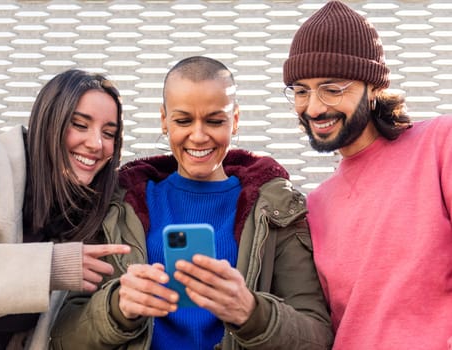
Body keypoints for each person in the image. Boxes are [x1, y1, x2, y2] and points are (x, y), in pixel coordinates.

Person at [49, 56, 333, 349]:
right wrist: (116, 309)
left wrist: (251, 312)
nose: (198, 136)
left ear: (234, 121)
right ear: (164, 121)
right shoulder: (116, 206)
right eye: (183, 120)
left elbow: (317, 336)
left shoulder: (276, 211)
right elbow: (60, 338)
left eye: (214, 120)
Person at [282, 1, 452, 349]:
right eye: (301, 91)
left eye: (333, 89)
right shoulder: (315, 205)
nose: (314, 108)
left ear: (373, 87)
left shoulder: (439, 144)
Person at [0, 68, 131, 349]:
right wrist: (48, 266)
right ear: (49, 122)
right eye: (80, 125)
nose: (96, 144)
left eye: (109, 133)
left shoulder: (93, 213)